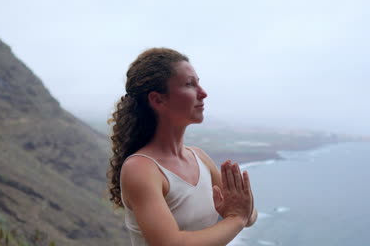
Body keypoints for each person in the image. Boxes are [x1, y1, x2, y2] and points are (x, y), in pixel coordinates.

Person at [107, 47, 258, 246]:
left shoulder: (199, 157)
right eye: (189, 84)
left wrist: (239, 211)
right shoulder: (141, 169)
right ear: (157, 99)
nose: (203, 93)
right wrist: (235, 219)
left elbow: (249, 214)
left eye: (199, 83)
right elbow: (172, 243)